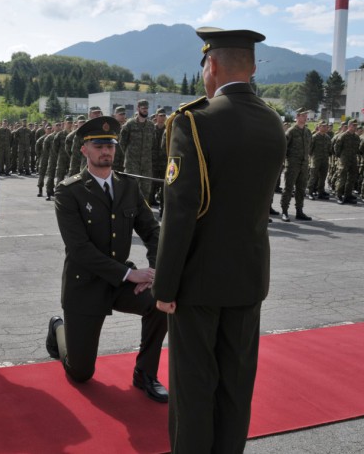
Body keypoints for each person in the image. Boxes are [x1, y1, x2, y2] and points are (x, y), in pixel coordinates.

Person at [153, 27, 286, 453]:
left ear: (210, 65)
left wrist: (165, 286)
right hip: (247, 277)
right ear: (251, 67)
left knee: (193, 388)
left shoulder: (195, 120)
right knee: (235, 386)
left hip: (198, 281)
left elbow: (180, 211)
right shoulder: (273, 121)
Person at [46, 116, 168, 402]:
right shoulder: (69, 191)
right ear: (84, 150)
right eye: (99, 145)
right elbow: (80, 250)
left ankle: (145, 372)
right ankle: (58, 328)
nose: (106, 151)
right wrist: (130, 275)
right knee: (81, 373)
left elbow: (152, 231)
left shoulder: (127, 186)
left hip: (118, 282)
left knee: (159, 302)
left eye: (110, 145)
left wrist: (154, 270)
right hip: (85, 285)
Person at [281, 107, 312, 221]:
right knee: (288, 188)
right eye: (303, 115)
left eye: (306, 115)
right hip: (293, 164)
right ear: (297, 116)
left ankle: (299, 211)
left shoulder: (308, 132)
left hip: (304, 165)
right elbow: (284, 148)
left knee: (301, 189)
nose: (305, 117)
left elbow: (310, 148)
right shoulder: (291, 131)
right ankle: (284, 211)